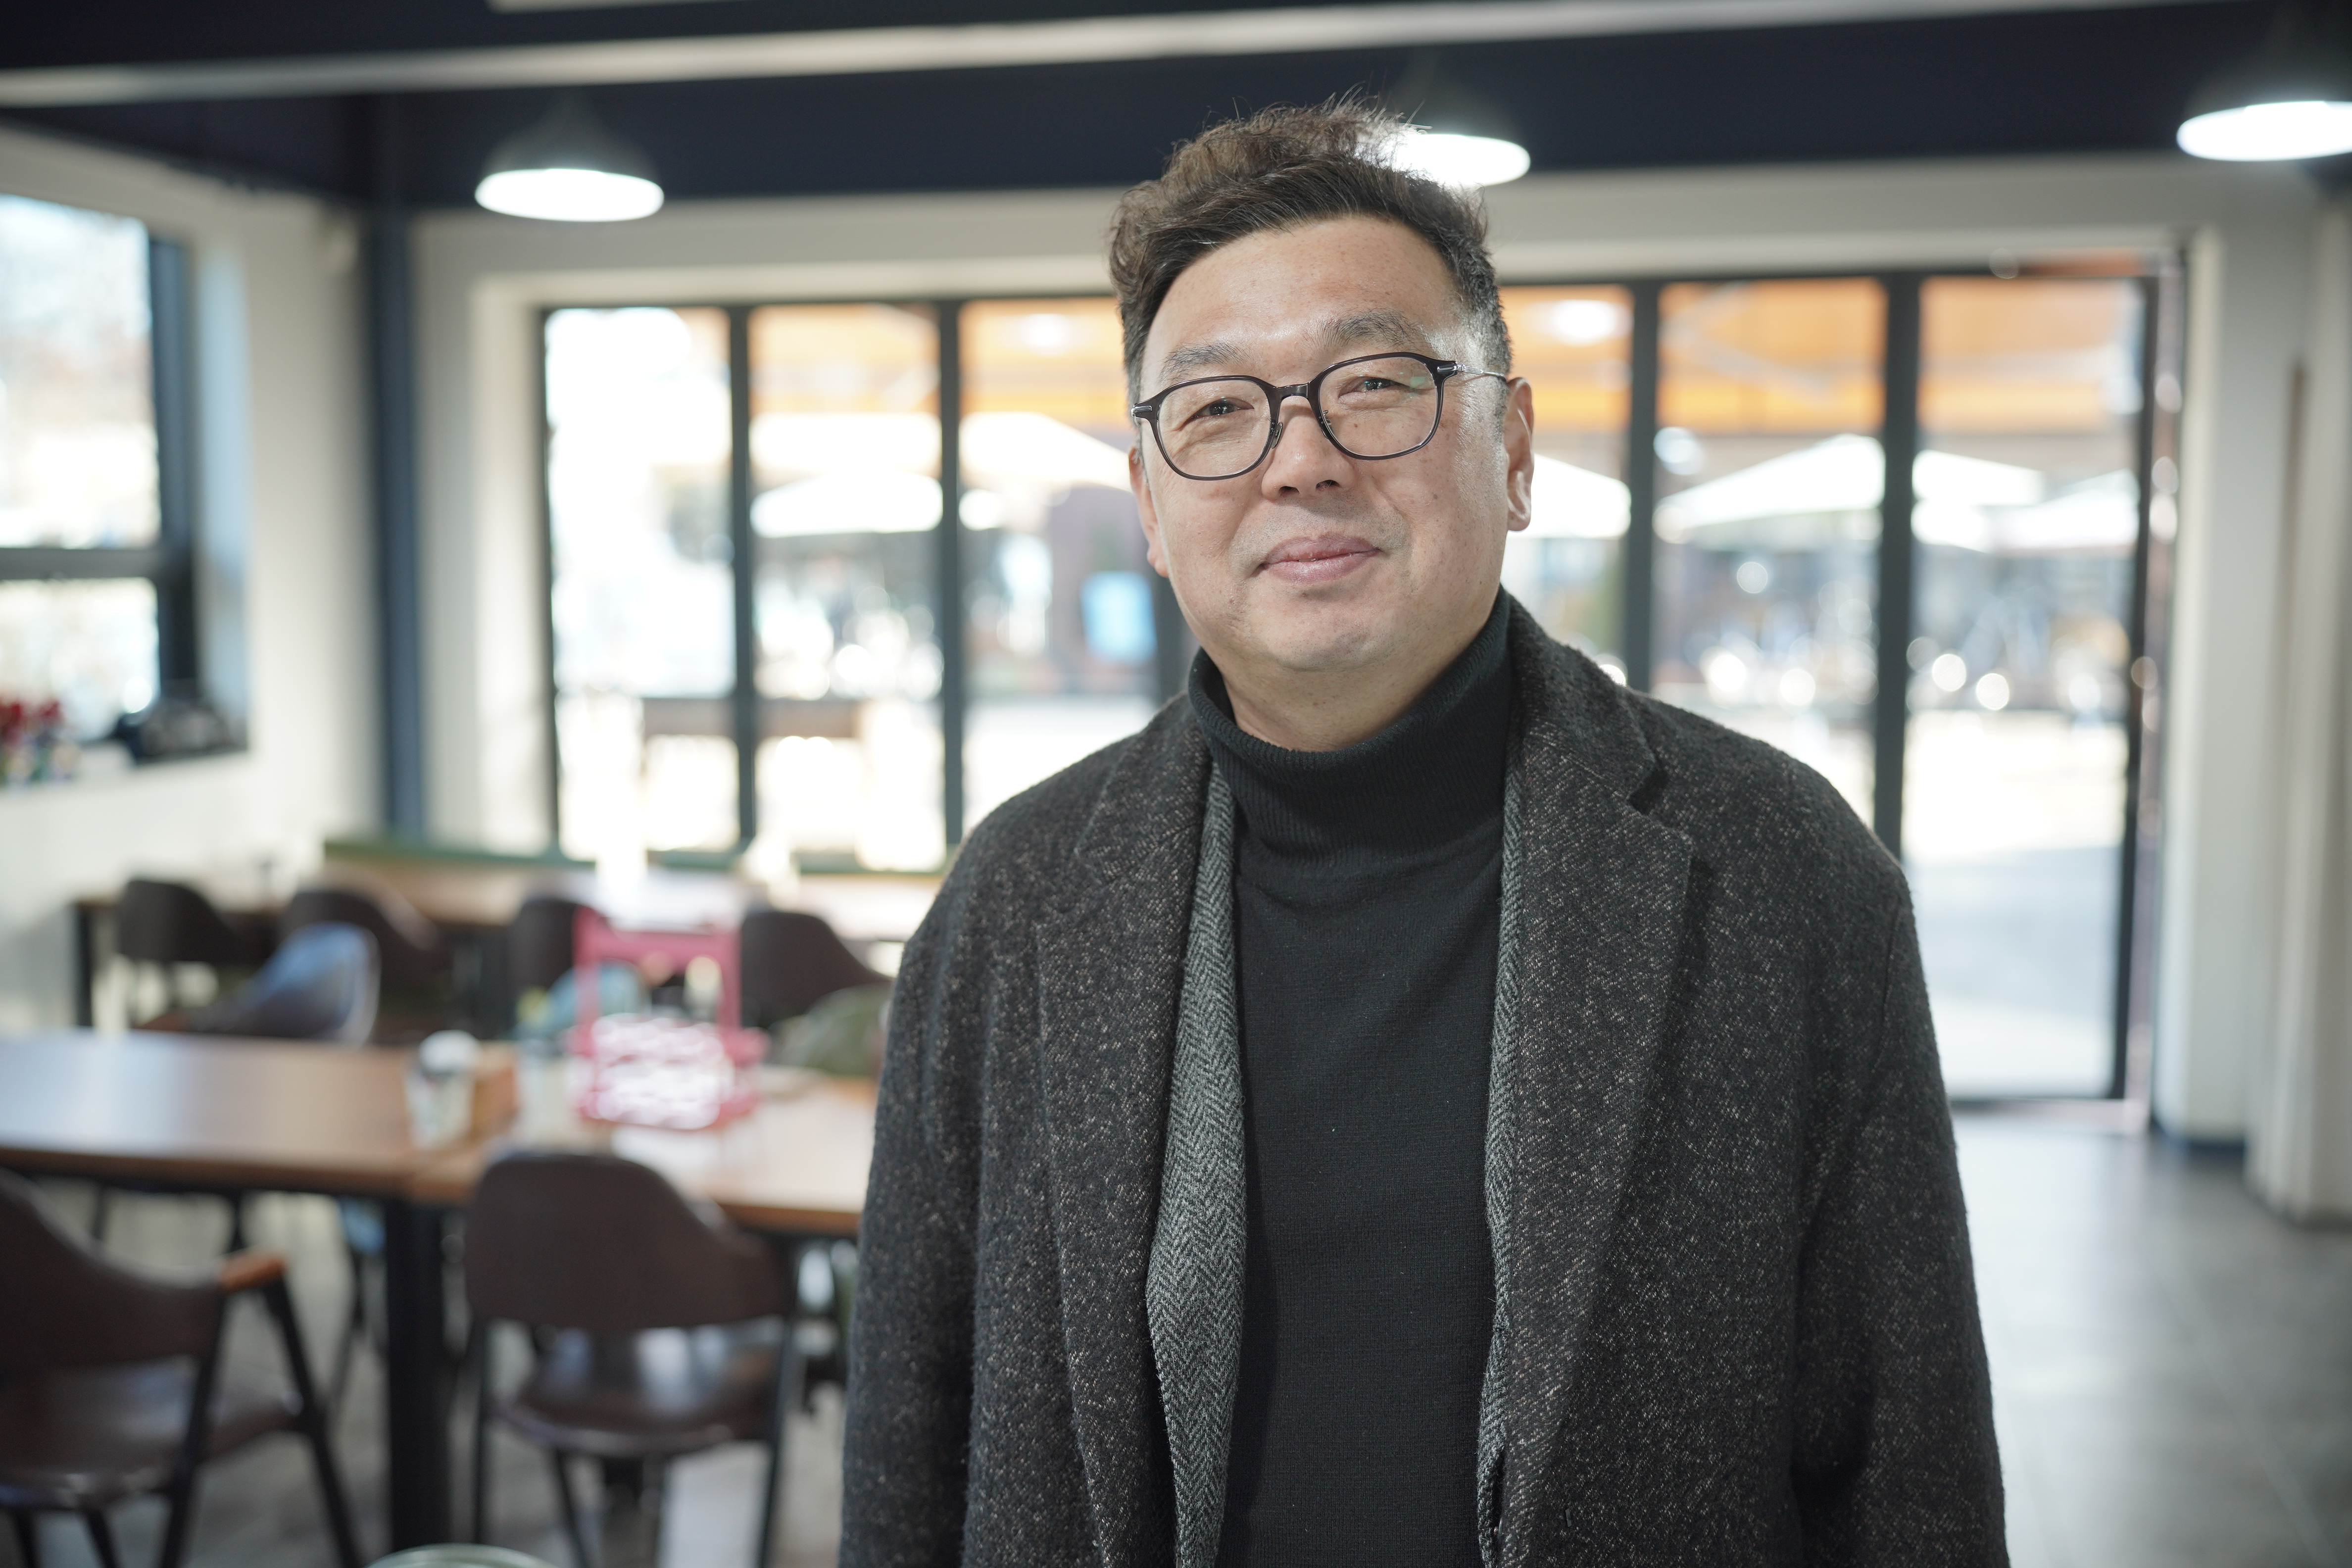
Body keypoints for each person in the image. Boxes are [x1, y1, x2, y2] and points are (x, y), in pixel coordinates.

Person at [842, 99, 2004, 1568]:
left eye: (1377, 385)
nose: (1300, 462)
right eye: (1216, 411)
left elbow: (1908, 1472)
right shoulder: (1018, 895)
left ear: (1512, 447)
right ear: (1148, 502)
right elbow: (911, 1440)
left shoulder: (1781, 871)